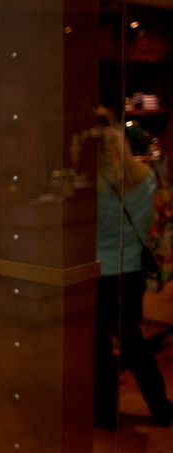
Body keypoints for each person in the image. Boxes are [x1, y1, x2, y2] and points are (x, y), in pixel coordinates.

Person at [92, 107, 173, 429]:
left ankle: (104, 413)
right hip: (133, 271)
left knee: (99, 346)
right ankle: (159, 405)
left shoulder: (91, 191)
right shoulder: (146, 179)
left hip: (99, 274)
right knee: (132, 340)